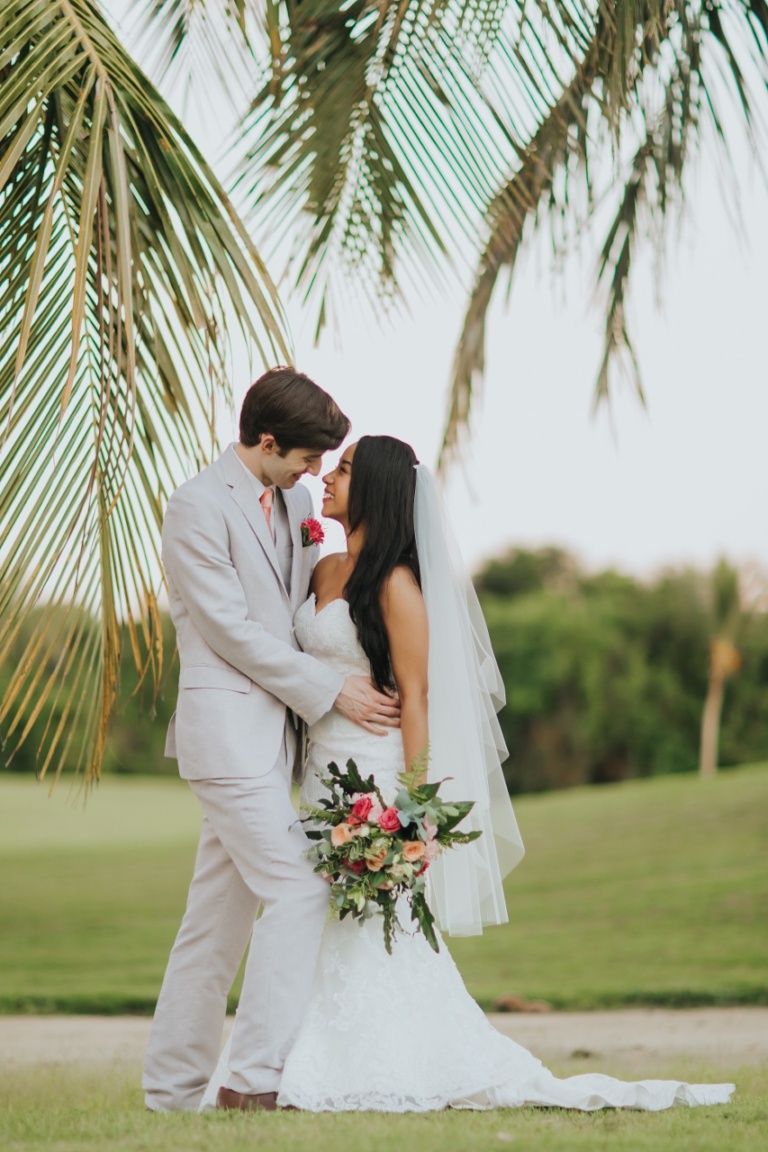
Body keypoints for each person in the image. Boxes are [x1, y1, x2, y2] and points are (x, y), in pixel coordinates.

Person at [201, 434, 734, 1113]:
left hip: (375, 776)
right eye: (330, 464)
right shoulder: (323, 567)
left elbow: (417, 699)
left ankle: (366, 1062)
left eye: (344, 468)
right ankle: (282, 1057)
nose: (327, 476)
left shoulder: (396, 586)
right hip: (317, 775)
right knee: (313, 915)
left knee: (370, 925)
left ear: (381, 491)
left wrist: (414, 812)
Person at [143, 371, 400, 1113]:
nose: (315, 475)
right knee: (297, 887)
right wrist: (332, 688)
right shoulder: (195, 507)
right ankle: (251, 1080)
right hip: (223, 740)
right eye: (308, 459)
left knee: (213, 926)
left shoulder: (291, 501)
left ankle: (169, 1092)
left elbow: (298, 608)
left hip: (277, 746)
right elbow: (231, 630)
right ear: (265, 441)